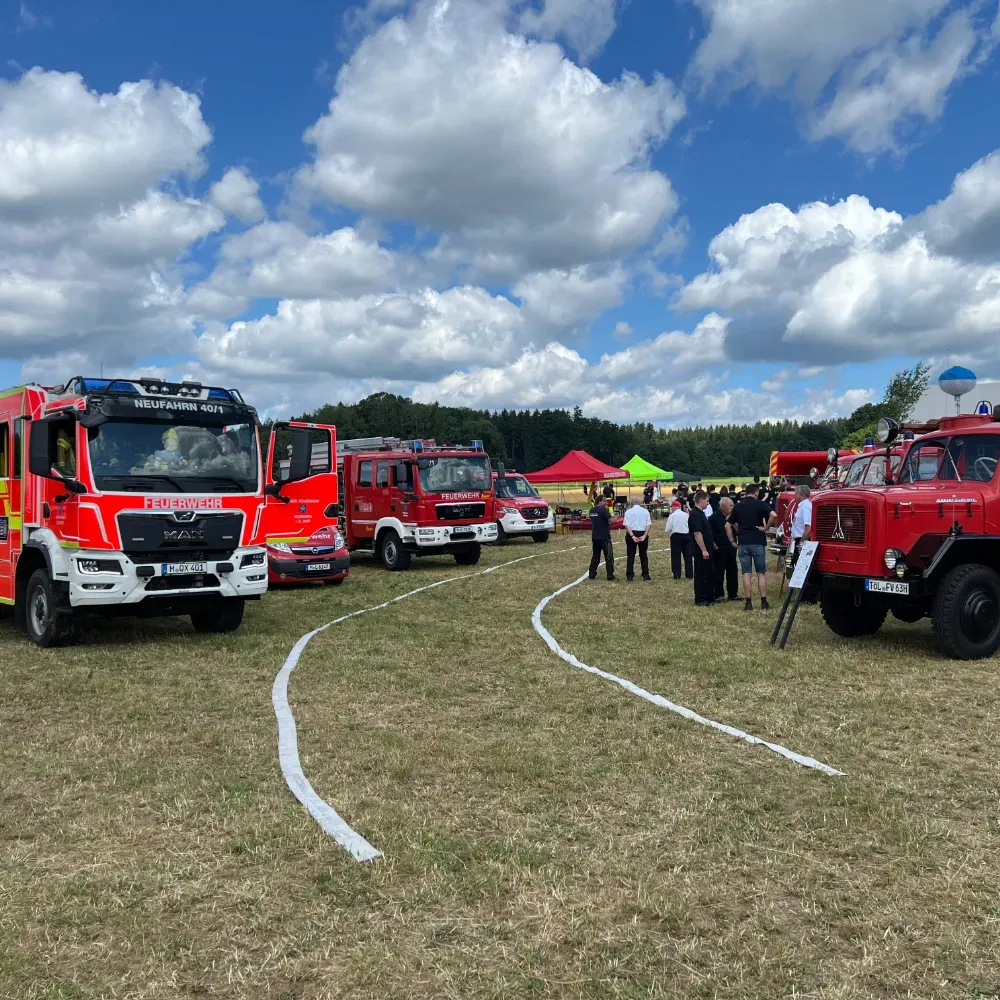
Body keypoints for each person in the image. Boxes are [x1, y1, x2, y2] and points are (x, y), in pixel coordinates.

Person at [727, 482, 776, 611]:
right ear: (756, 493)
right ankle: (764, 602)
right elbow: (774, 515)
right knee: (761, 573)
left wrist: (732, 541)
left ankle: (748, 603)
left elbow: (727, 525)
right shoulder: (760, 504)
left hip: (743, 542)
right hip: (758, 541)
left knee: (746, 573)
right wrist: (766, 528)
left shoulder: (738, 506)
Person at [688, 491, 716, 606]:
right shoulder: (695, 514)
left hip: (707, 548)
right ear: (701, 500)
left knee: (709, 573)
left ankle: (709, 597)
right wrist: (704, 550)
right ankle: (700, 599)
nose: (708, 503)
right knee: (701, 575)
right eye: (707, 500)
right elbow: (697, 533)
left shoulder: (701, 513)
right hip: (700, 550)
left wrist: (712, 543)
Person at [711, 496, 739, 601]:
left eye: (733, 505)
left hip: (731, 549)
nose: (732, 507)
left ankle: (733, 594)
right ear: (722, 507)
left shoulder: (733, 517)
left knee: (732, 571)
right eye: (730, 506)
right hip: (719, 549)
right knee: (719, 572)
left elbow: (738, 531)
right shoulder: (714, 518)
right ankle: (719, 594)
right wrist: (714, 545)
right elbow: (710, 533)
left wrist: (732, 522)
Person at [623, 496, 652, 581]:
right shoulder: (645, 511)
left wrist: (632, 536)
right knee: (643, 555)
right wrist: (644, 536)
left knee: (630, 555)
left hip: (631, 532)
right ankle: (645, 574)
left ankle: (629, 574)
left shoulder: (628, 512)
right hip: (642, 532)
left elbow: (626, 524)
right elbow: (648, 524)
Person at [588, 495, 615, 581]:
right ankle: (610, 575)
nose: (606, 503)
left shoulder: (591, 510)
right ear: (599, 501)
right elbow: (612, 520)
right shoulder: (603, 510)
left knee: (595, 556)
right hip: (604, 536)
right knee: (609, 556)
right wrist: (614, 514)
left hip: (595, 536)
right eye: (604, 501)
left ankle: (592, 574)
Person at [665, 501, 692, 580]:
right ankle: (689, 574)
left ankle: (677, 574)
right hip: (687, 536)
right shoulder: (686, 515)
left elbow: (668, 528)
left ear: (674, 507)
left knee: (676, 556)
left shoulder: (672, 516)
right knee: (688, 556)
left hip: (676, 536)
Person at [789, 484, 813, 562]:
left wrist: (801, 544)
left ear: (801, 495)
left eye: (795, 494)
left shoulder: (805, 507)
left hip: (802, 541)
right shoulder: (803, 506)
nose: (794, 496)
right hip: (798, 540)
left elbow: (808, 528)